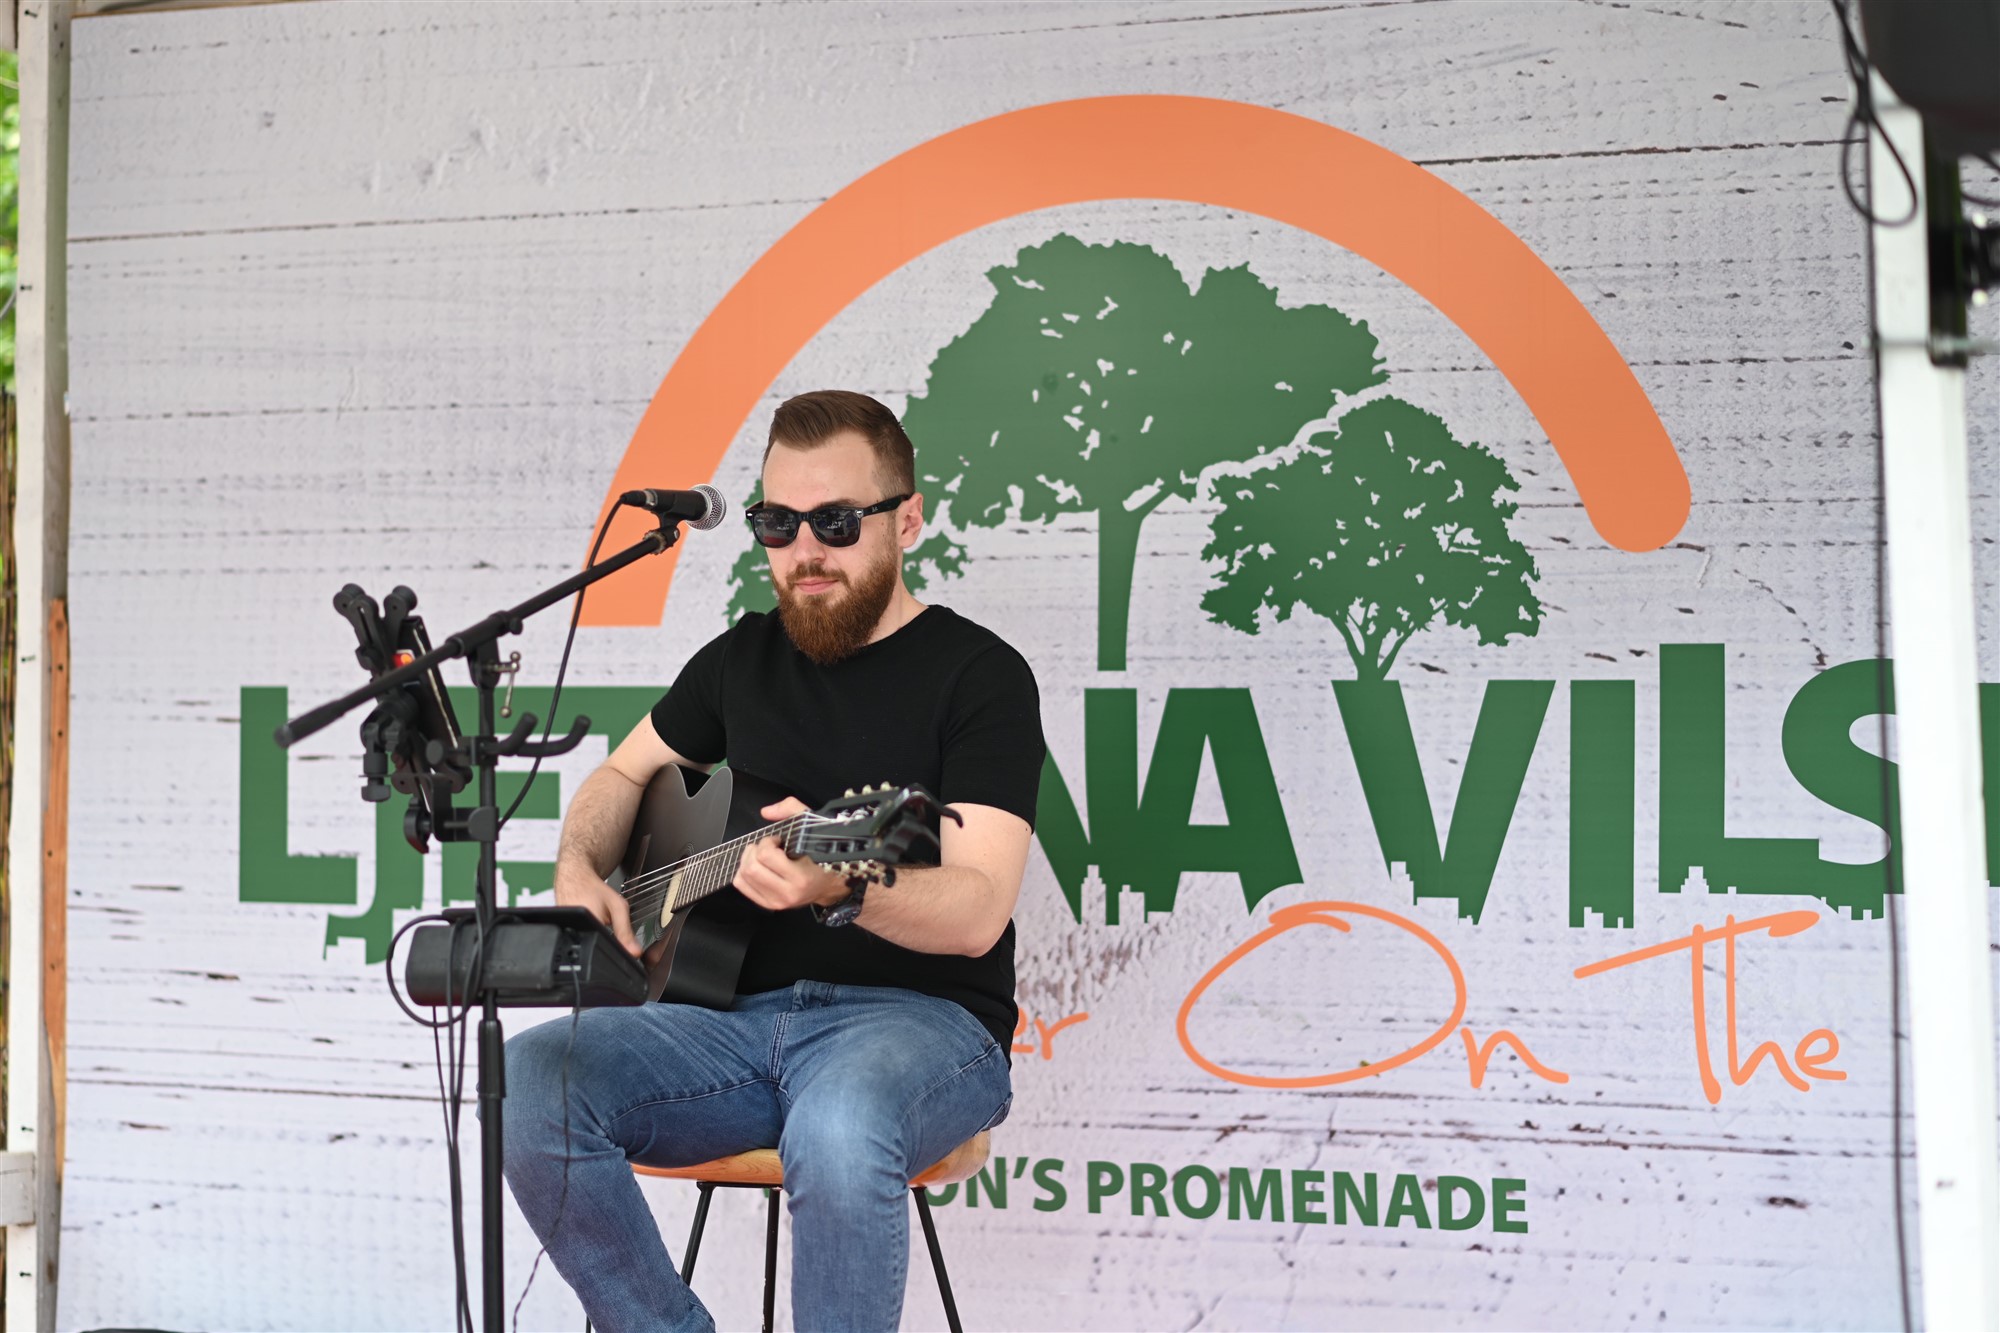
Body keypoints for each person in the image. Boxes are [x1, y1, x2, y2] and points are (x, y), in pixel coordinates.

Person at [502, 389, 1044, 1333]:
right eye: (776, 523)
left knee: (839, 1127)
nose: (804, 550)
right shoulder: (739, 659)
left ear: (908, 519)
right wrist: (580, 867)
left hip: (922, 1026)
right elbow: (621, 775)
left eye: (836, 522)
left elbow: (977, 911)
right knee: (528, 1082)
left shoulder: (980, 675)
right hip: (728, 1023)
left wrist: (846, 886)